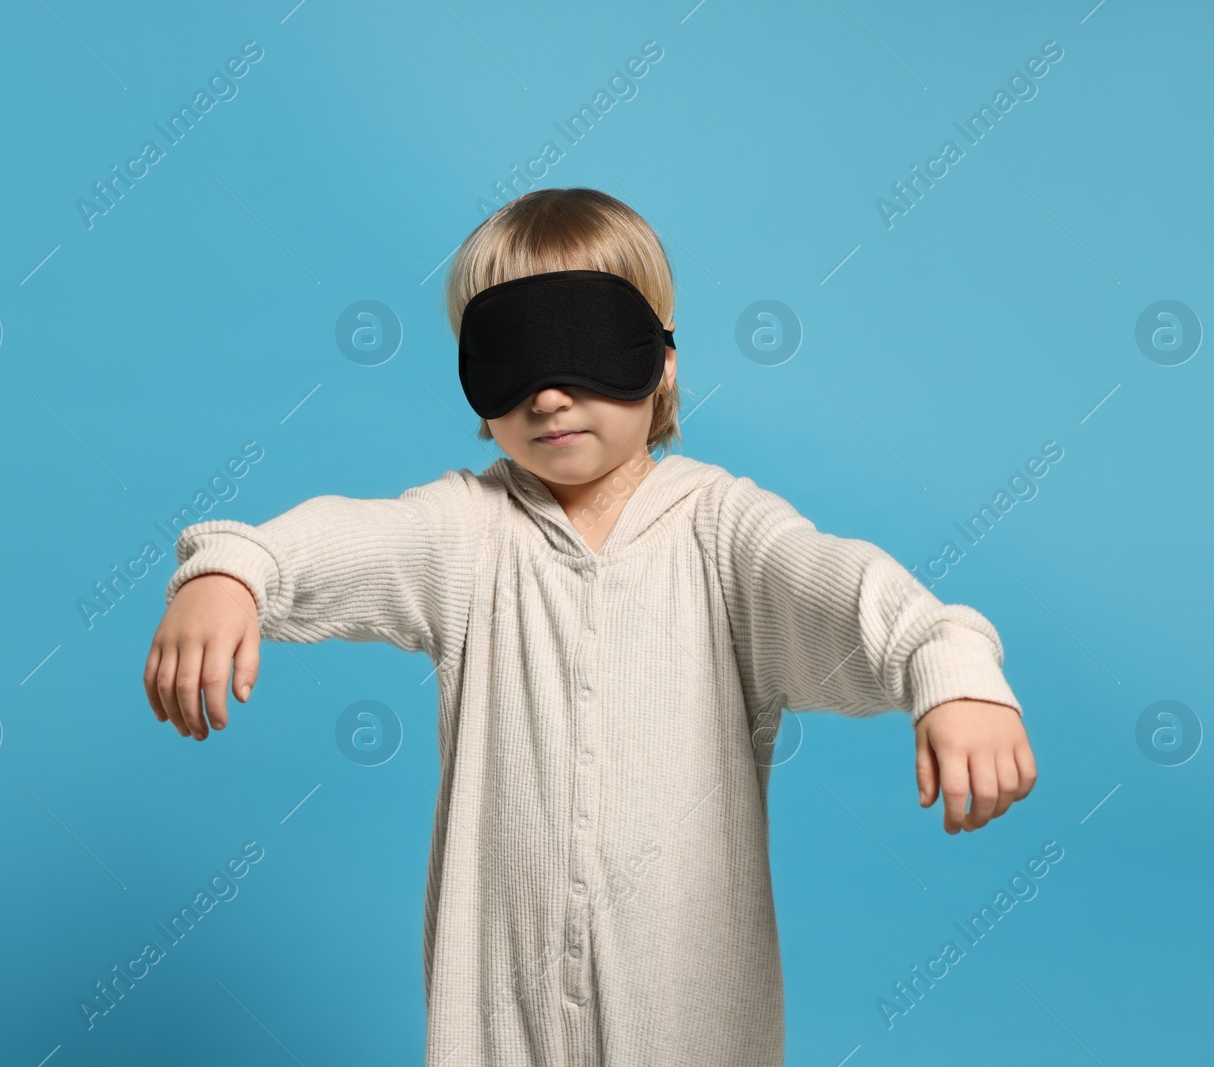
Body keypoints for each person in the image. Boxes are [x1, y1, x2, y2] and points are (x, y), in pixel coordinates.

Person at [142, 187, 1037, 1066]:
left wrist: (944, 661)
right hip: (500, 1022)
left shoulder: (722, 531)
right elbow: (352, 536)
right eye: (513, 357)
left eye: (582, 345)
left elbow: (833, 586)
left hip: (690, 1026)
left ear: (664, 359)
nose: (549, 393)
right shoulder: (465, 532)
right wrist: (234, 568)